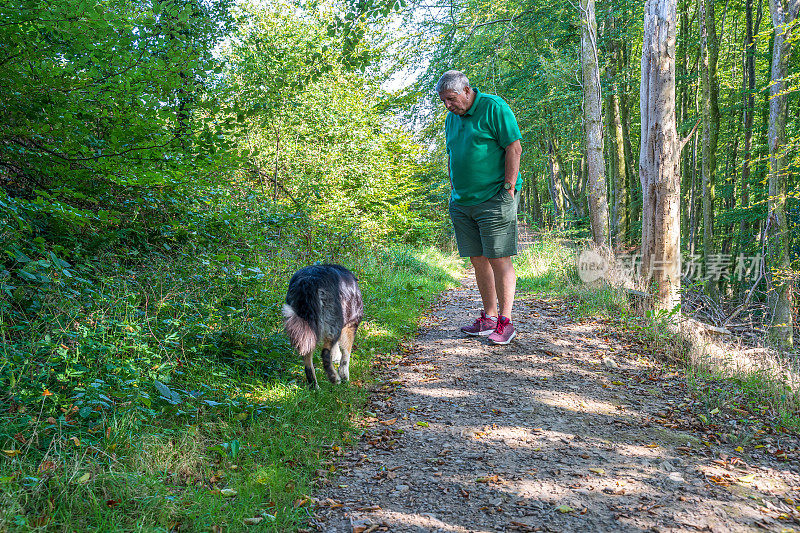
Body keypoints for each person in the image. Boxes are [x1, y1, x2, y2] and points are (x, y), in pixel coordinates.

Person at [436, 70, 522, 345]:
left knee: (499, 258)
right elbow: (453, 154)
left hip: (494, 197)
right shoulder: (452, 119)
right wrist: (454, 190)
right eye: (444, 101)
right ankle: (489, 317)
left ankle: (505, 322)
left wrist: (509, 187)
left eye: (451, 99)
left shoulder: (493, 107)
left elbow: (514, 147)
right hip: (463, 201)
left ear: (466, 90)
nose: (448, 105)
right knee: (478, 259)